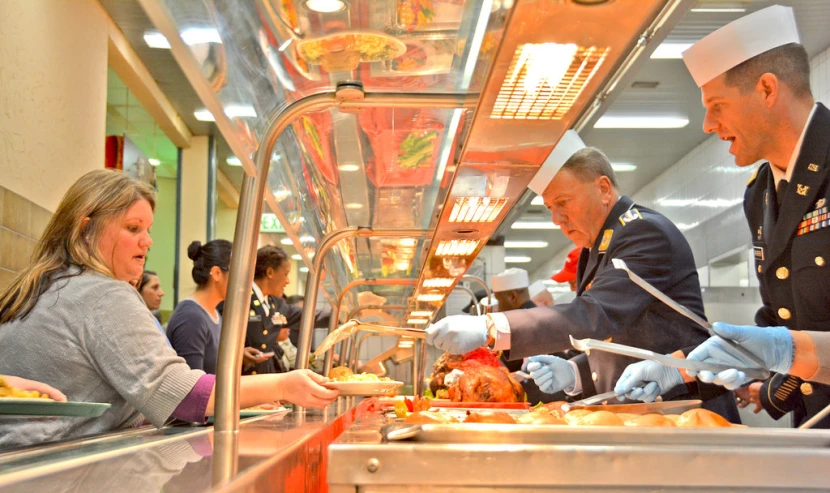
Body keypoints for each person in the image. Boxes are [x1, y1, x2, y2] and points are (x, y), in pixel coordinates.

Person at [0, 170, 338, 449]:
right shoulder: (104, 295)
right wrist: (282, 386)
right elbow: (177, 394)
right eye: (133, 229)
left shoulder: (35, 286)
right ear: (86, 228)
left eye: (148, 230)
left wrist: (240, 399)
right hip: (59, 469)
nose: (147, 241)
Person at [425, 133, 738, 421]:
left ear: (602, 189)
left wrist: (493, 326)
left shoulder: (644, 232)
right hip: (643, 416)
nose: (556, 218)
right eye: (550, 207)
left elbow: (595, 315)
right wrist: (576, 372)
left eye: (562, 202)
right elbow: (621, 337)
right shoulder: (596, 246)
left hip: (686, 413)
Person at [618, 5, 830, 427]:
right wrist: (684, 366)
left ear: (767, 90)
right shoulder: (760, 195)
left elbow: (786, 340)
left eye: (717, 105)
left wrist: (779, 351)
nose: (707, 124)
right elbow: (782, 320)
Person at [167, 240, 266, 374]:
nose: (243, 282)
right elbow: (194, 385)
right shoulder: (191, 317)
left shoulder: (213, 312)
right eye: (238, 273)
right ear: (217, 273)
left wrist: (240, 356)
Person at [241, 245, 296, 374]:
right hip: (243, 380)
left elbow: (307, 316)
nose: (288, 281)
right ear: (270, 272)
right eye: (286, 274)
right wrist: (240, 355)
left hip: (265, 376)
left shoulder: (275, 303)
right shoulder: (242, 299)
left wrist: (341, 316)